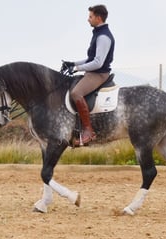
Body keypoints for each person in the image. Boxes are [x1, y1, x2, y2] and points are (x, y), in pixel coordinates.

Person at [63, 4, 115, 146]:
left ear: (98, 18)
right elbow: (91, 59)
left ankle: (88, 131)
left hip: (99, 74)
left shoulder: (103, 37)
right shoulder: (98, 33)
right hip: (93, 72)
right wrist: (73, 63)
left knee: (76, 93)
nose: (88, 19)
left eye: (90, 17)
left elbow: (98, 63)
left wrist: (78, 68)